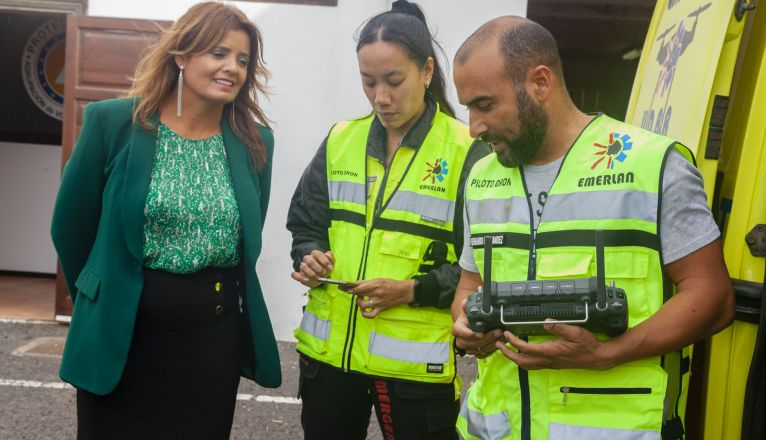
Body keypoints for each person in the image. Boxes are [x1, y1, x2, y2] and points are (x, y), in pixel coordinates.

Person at [450, 16, 735, 440]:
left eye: (485, 105)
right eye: (468, 108)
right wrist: (466, 327)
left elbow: (713, 298)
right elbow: (468, 288)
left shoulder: (652, 166)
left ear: (540, 83)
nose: (474, 128)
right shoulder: (481, 178)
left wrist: (607, 353)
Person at [50, 3, 280, 439]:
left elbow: (247, 234)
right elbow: (69, 225)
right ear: (181, 56)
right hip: (123, 333)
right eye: (218, 53)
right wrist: (101, 295)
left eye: (243, 60)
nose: (232, 67)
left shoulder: (256, 142)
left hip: (212, 340)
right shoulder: (114, 122)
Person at [286, 1, 489, 438]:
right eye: (368, 81)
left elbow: (489, 264)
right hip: (329, 359)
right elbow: (305, 223)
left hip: (414, 369)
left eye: (394, 81)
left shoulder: (467, 151)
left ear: (427, 71)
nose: (381, 97)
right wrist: (309, 256)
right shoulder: (341, 138)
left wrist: (412, 290)